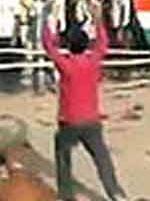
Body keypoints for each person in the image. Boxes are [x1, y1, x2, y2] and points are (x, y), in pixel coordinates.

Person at [43, 16, 128, 201]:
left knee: (63, 157)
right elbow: (103, 42)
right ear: (86, 45)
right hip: (91, 120)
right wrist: (98, 19)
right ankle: (114, 192)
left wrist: (51, 26)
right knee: (102, 159)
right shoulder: (93, 61)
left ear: (69, 45)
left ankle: (66, 195)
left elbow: (49, 46)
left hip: (69, 121)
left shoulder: (65, 64)